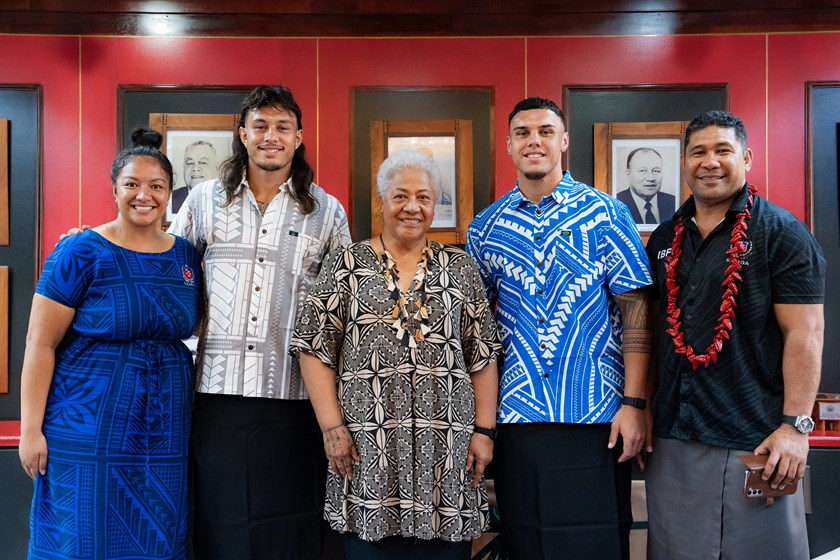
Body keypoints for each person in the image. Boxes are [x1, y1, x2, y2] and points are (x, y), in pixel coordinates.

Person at [466, 97, 653, 559]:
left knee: (597, 540)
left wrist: (634, 403)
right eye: (524, 133)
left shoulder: (607, 213)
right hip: (517, 417)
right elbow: (476, 332)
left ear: (564, 141)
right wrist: (482, 425)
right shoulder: (484, 228)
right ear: (508, 145)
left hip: (597, 414)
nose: (535, 141)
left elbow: (636, 311)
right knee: (528, 541)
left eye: (546, 131)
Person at [168, 86, 351, 559]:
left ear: (299, 137)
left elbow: (342, 310)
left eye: (282, 127)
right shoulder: (203, 201)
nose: (272, 136)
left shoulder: (327, 212)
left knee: (288, 526)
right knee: (218, 521)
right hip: (213, 395)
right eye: (261, 126)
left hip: (293, 397)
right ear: (242, 134)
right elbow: (163, 274)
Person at [291, 149, 501, 560]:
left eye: (424, 198)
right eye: (401, 196)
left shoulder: (458, 267)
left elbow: (483, 354)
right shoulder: (346, 263)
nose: (412, 207)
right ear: (382, 200)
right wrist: (332, 429)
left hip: (448, 453)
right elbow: (314, 348)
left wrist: (484, 431)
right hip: (366, 447)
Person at [644, 110, 825, 560]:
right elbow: (653, 333)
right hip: (674, 438)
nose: (710, 161)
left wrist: (795, 429)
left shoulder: (780, 232)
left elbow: (806, 334)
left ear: (745, 157)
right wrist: (644, 410)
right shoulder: (665, 237)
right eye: (698, 152)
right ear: (684, 163)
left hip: (756, 439)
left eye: (723, 150)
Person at [19, 128, 203, 559]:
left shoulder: (186, 255)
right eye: (132, 185)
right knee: (84, 533)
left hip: (164, 428)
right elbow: (39, 343)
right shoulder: (80, 251)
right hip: (87, 425)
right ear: (115, 189)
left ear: (168, 192)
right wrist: (30, 431)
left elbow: (195, 325)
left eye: (156, 186)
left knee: (157, 533)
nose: (145, 195)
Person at [615, 147, 676, 225]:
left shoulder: (673, 202)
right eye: (642, 170)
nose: (650, 178)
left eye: (656, 171)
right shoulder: (617, 203)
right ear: (628, 174)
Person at [170, 140, 218, 214]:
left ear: (216, 168)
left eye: (203, 162)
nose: (195, 168)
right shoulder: (170, 200)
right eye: (190, 163)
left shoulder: (228, 198)